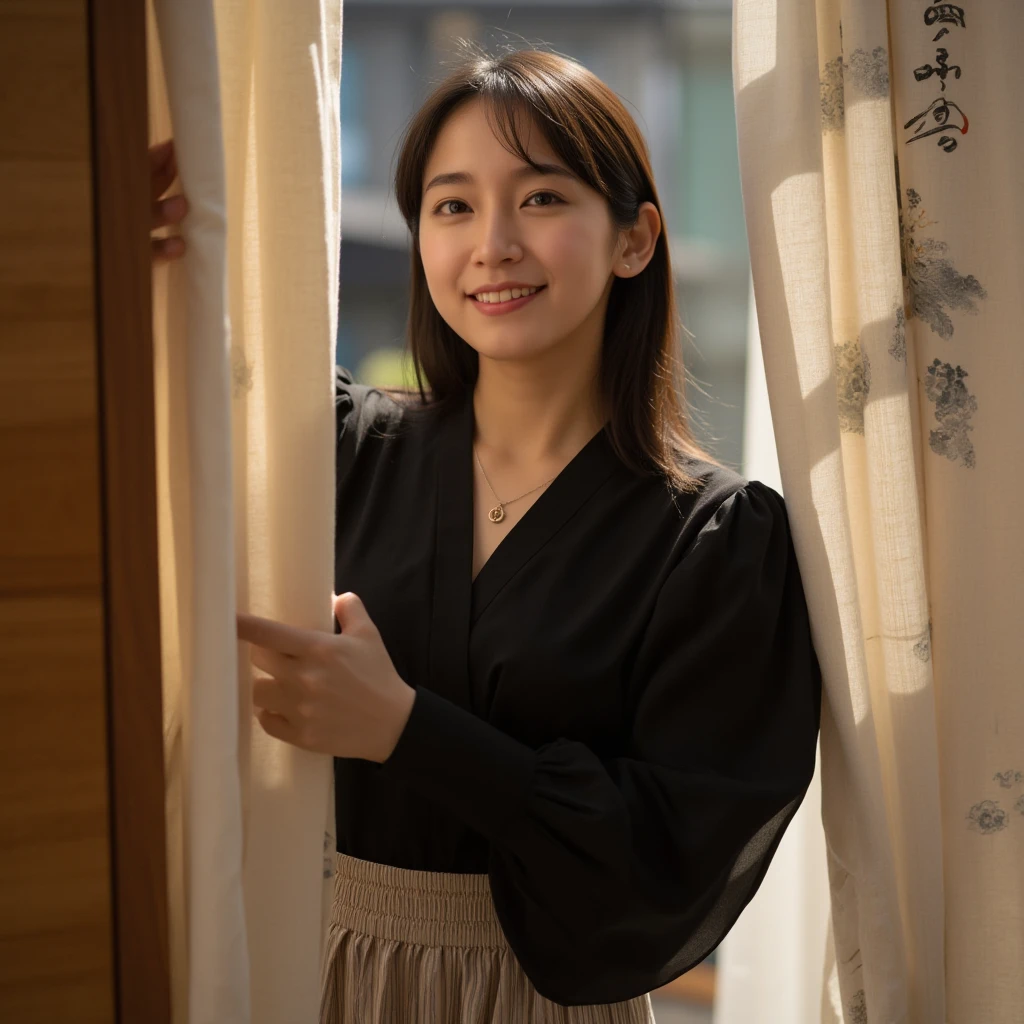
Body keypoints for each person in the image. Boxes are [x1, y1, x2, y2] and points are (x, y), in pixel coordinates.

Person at [153, 45, 822, 1024]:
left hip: (535, 999)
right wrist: (157, 242)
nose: (492, 244)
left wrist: (407, 730)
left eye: (541, 199)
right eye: (453, 205)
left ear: (634, 239)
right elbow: (176, 408)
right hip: (309, 970)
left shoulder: (717, 540)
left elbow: (667, 863)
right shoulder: (339, 449)